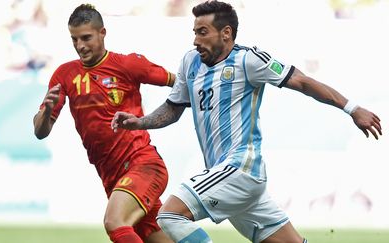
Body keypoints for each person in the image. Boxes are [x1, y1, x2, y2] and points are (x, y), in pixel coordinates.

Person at [111, 1, 382, 242]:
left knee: (169, 216)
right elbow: (174, 108)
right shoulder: (190, 62)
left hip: (240, 168)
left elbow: (303, 82)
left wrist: (352, 108)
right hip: (227, 177)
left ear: (226, 33)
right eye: (194, 32)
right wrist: (139, 122)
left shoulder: (248, 60)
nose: (195, 40)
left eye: (202, 32)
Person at [33, 4, 175, 243]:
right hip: (111, 176)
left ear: (102, 33)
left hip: (143, 164)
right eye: (74, 39)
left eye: (86, 37)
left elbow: (179, 83)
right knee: (153, 236)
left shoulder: (128, 65)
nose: (80, 46)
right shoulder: (64, 74)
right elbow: (40, 132)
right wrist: (46, 111)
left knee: (114, 222)